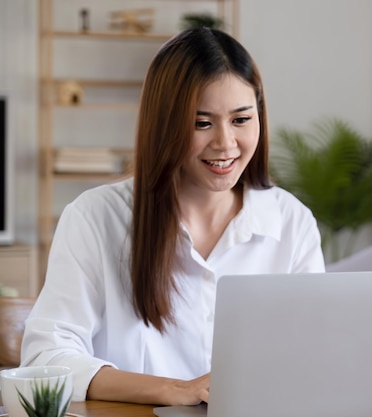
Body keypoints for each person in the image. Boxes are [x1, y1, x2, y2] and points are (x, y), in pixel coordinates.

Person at [21, 28, 325, 406]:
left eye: (241, 120)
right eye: (202, 123)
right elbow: (47, 358)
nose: (226, 143)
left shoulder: (291, 221)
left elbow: (314, 357)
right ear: (165, 125)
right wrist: (173, 390)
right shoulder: (95, 218)